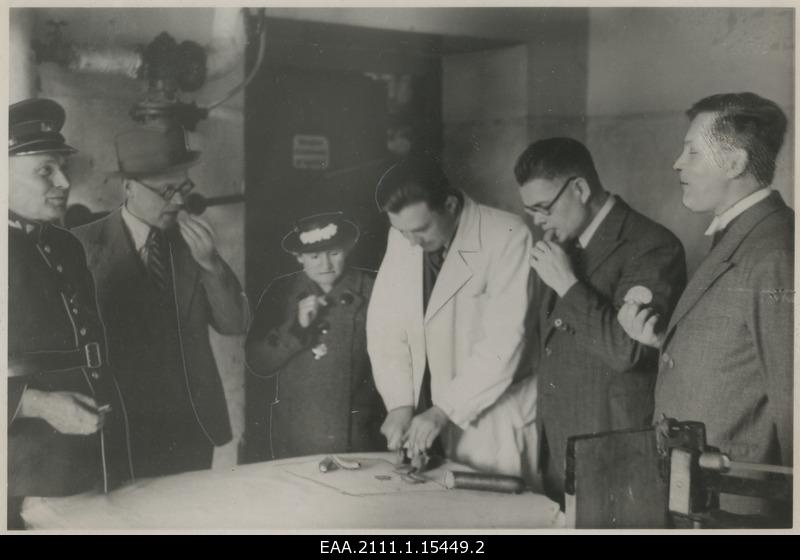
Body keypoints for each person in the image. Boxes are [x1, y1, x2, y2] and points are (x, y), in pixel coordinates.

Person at [617, 93, 793, 518]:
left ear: (734, 163)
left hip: (739, 505)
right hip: (701, 495)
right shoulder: (741, 236)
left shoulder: (776, 254)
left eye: (692, 151)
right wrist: (663, 340)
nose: (678, 163)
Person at [513, 137, 687, 505]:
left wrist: (567, 284)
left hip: (614, 446)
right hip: (559, 444)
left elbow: (630, 352)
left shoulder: (652, 246)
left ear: (579, 188)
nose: (539, 221)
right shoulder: (564, 245)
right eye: (532, 212)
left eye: (544, 208)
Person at [73, 125, 248, 478]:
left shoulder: (193, 245)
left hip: (190, 427)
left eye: (184, 187)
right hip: (118, 429)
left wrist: (212, 265)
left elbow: (235, 324)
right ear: (128, 187)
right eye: (167, 190)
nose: (180, 201)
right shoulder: (79, 247)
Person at [7, 98, 132, 528]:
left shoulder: (64, 245)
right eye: (45, 170)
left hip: (86, 457)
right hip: (21, 472)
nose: (63, 181)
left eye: (63, 167)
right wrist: (36, 404)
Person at [366, 157, 534, 477]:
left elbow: (504, 342)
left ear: (451, 205)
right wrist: (400, 403)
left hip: (489, 416)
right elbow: (387, 328)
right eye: (401, 232)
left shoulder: (508, 235)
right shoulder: (404, 239)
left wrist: (445, 410)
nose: (412, 242)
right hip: (426, 417)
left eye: (421, 230)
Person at [245, 212, 385, 459]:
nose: (326, 265)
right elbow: (257, 362)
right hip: (296, 436)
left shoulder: (374, 290)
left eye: (334, 253)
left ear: (347, 248)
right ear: (298, 257)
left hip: (358, 435)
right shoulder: (281, 292)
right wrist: (296, 329)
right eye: (314, 256)